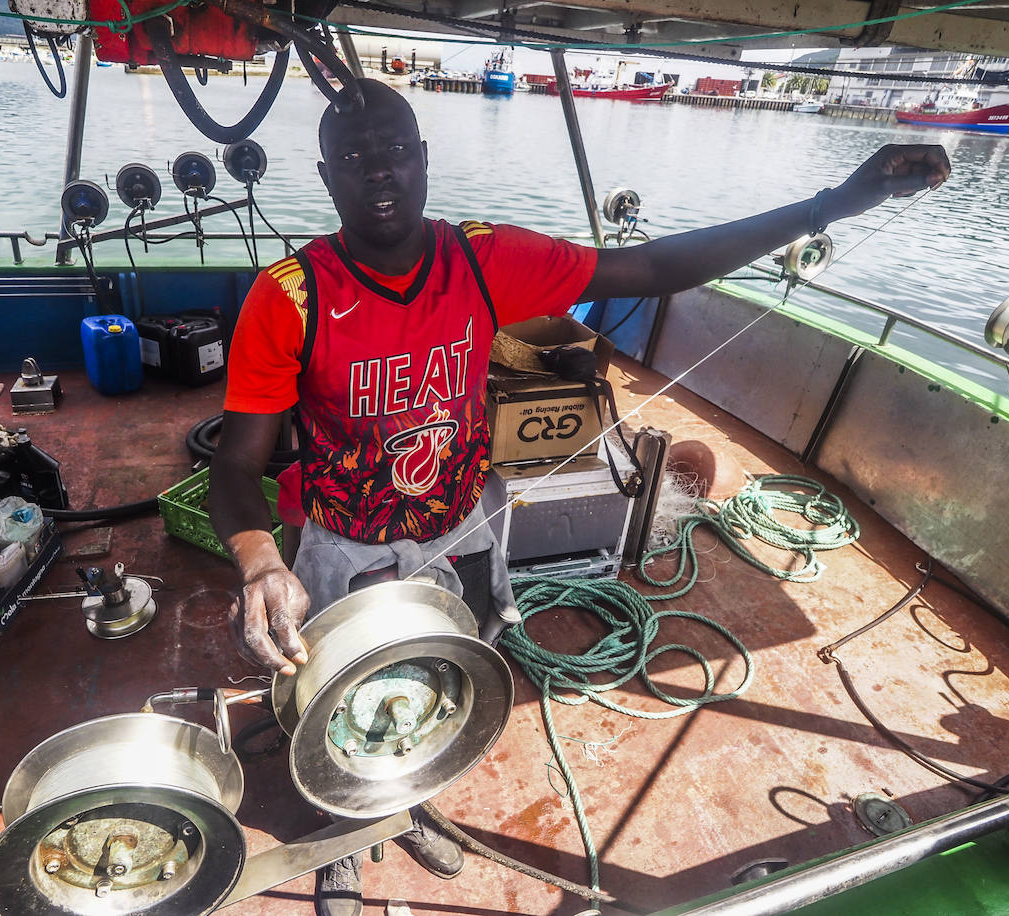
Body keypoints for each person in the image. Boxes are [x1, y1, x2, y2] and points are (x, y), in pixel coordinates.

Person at [208, 78, 950, 916]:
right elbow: (236, 465)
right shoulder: (291, 296)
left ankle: (410, 801)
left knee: (439, 679)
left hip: (459, 531)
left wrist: (837, 202)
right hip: (346, 542)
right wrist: (261, 559)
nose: (379, 173)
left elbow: (659, 264)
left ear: (423, 160)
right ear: (325, 174)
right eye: (353, 158)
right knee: (336, 693)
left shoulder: (481, 260)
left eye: (395, 153)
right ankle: (341, 834)